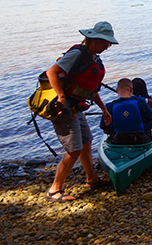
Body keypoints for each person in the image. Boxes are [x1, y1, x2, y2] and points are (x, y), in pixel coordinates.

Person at [44, 21, 117, 202]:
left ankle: (91, 179)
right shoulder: (77, 54)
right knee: (74, 149)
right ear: (92, 39)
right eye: (104, 42)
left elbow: (91, 88)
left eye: (108, 43)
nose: (107, 46)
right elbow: (51, 72)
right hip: (64, 108)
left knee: (86, 142)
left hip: (77, 107)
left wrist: (104, 109)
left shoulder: (94, 59)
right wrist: (60, 96)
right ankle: (54, 190)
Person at [100, 78, 152, 145]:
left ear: (117, 90)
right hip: (142, 141)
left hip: (118, 142)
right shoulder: (141, 102)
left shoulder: (109, 106)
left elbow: (105, 130)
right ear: (131, 89)